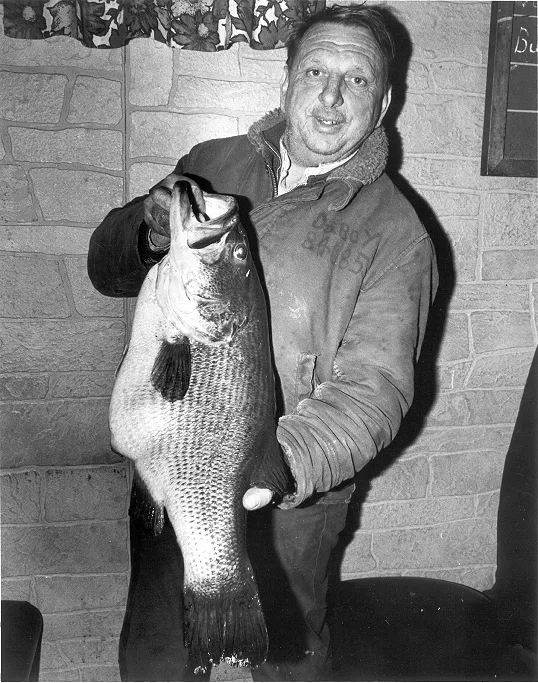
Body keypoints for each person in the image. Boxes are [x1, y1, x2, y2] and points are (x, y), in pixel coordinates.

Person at [88, 5, 438, 681]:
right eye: (315, 70)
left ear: (384, 101)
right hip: (174, 465)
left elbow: (377, 392)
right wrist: (150, 227)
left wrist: (278, 463)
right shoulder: (213, 165)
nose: (331, 95)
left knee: (287, 659)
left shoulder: (399, 233)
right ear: (285, 83)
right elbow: (106, 267)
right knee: (157, 650)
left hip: (292, 500)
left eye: (357, 80)